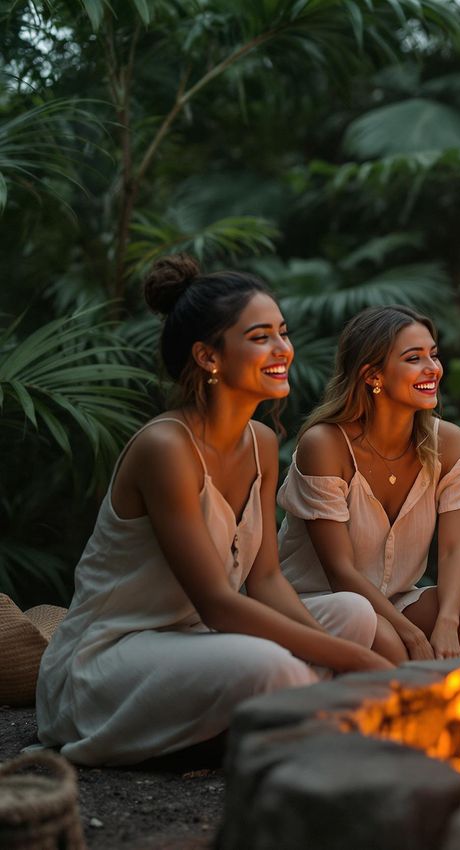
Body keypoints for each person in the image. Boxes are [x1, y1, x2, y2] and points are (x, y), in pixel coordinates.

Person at [37, 255, 391, 766]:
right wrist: (356, 662)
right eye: (260, 337)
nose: (282, 350)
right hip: (111, 657)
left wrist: (337, 647)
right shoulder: (166, 447)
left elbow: (266, 580)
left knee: (353, 615)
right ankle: (278, 718)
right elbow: (217, 602)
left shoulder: (262, 443)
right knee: (273, 666)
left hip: (197, 641)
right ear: (208, 357)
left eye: (283, 333)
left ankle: (276, 719)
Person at [277, 306, 460, 662]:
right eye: (414, 358)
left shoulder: (449, 444)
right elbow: (340, 572)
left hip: (396, 600)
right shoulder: (326, 445)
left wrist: (447, 621)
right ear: (372, 374)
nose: (433, 369)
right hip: (321, 602)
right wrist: (410, 634)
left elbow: (454, 551)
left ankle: (453, 707)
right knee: (387, 640)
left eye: (434, 355)